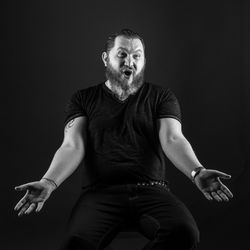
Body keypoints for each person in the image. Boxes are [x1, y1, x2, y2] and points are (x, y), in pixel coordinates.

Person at [14, 29, 233, 250]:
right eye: (122, 54)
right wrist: (48, 182)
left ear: (144, 59)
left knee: (184, 234)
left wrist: (197, 172)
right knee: (75, 244)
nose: (130, 61)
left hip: (151, 191)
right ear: (105, 58)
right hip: (99, 194)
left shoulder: (161, 96)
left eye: (137, 55)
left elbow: (173, 138)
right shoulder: (84, 98)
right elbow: (72, 146)